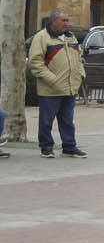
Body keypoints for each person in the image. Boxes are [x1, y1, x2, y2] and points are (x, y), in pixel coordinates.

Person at [27, 9, 87, 158]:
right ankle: (46, 147)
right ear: (53, 21)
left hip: (70, 87)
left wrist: (80, 74)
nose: (67, 23)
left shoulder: (71, 37)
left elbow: (78, 57)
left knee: (67, 120)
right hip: (50, 89)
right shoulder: (41, 37)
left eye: (67, 20)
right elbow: (35, 63)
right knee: (46, 121)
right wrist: (52, 80)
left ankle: (69, 147)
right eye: (63, 20)